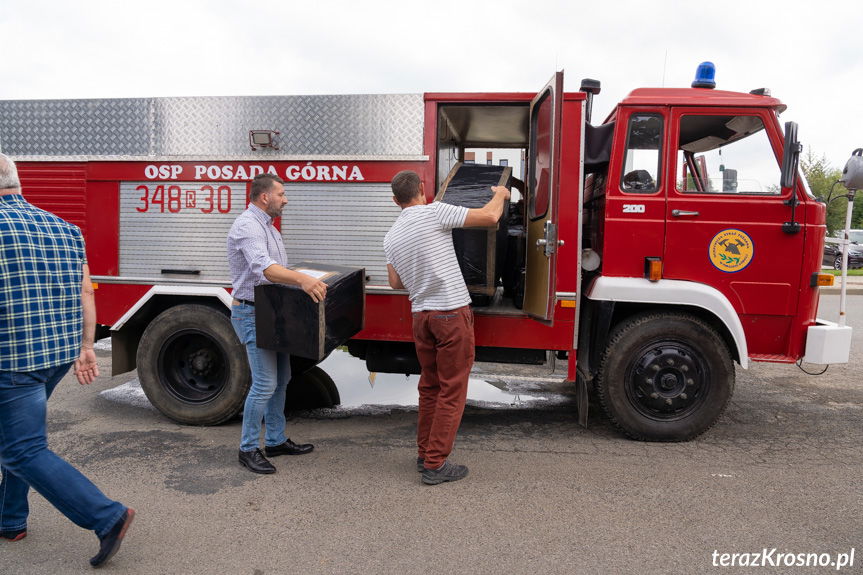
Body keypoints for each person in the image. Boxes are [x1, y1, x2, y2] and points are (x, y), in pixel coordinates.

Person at [0, 153, 134, 567]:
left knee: (22, 449)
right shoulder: (65, 229)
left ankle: (106, 516)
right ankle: (11, 520)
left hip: (13, 360)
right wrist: (87, 346)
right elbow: (86, 292)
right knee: (16, 441)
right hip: (55, 355)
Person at [383, 170, 510, 485]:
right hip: (450, 314)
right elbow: (491, 216)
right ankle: (435, 465)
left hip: (421, 316)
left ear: (394, 200)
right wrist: (502, 194)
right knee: (452, 389)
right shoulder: (434, 211)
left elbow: (396, 282)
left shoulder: (390, 236)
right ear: (423, 189)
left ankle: (424, 452)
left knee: (430, 387)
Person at [227, 173, 327, 474]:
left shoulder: (268, 226)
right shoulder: (248, 227)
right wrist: (303, 279)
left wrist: (307, 278)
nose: (285, 199)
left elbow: (277, 270)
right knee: (265, 384)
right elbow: (265, 270)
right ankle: (247, 449)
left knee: (281, 380)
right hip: (252, 313)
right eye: (281, 194)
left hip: (272, 313)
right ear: (264, 197)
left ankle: (275, 440)